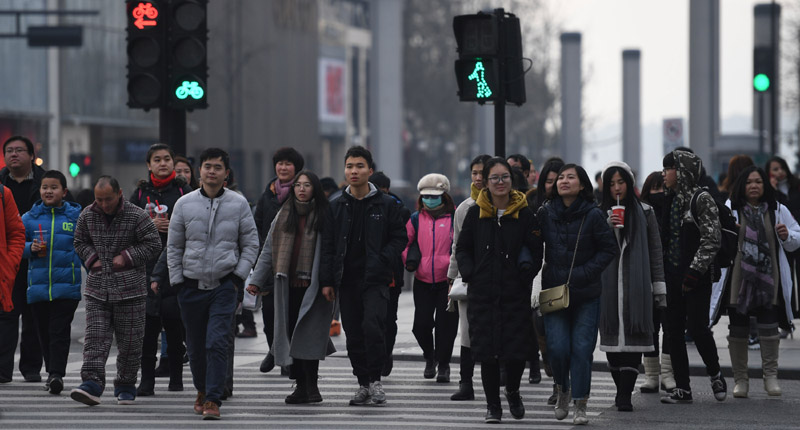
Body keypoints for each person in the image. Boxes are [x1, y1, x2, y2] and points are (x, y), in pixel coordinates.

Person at [167, 148, 259, 420]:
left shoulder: (239, 203)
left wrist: (236, 276)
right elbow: (173, 246)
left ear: (226, 173)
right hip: (190, 286)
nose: (212, 171)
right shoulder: (184, 205)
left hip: (223, 286)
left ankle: (213, 398)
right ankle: (202, 389)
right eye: (207, 166)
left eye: (218, 167)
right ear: (200, 172)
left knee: (217, 342)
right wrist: (178, 281)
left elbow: (251, 243)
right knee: (195, 346)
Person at [455, 157, 543, 424]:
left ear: (511, 180)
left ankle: (513, 391)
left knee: (516, 351)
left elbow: (536, 248)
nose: (500, 182)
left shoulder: (525, 213)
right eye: (494, 178)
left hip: (514, 294)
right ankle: (493, 405)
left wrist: (525, 274)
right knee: (487, 353)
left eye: (504, 177)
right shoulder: (476, 212)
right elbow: (462, 248)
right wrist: (471, 272)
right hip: (482, 294)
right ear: (486, 182)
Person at [320, 146, 407, 406]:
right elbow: (328, 246)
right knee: (353, 333)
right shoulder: (335, 205)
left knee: (373, 327)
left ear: (370, 170)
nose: (353, 171)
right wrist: (327, 281)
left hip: (376, 278)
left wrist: (383, 259)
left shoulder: (387, 203)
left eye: (359, 166)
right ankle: (362, 383)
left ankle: (376, 380)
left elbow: (399, 238)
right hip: (346, 280)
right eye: (349, 166)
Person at [70, 176, 162, 406]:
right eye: (99, 199)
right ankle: (91, 383)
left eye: (108, 199)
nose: (103, 204)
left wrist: (127, 257)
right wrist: (92, 260)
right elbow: (79, 241)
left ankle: (125, 383)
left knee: (130, 342)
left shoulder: (136, 215)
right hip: (97, 289)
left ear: (119, 193)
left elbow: (153, 244)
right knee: (95, 338)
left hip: (131, 290)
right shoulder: (87, 215)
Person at [710, 166, 800, 398]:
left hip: (768, 281)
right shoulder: (731, 210)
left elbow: (796, 237)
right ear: (742, 185)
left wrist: (787, 236)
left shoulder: (778, 210)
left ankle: (770, 377)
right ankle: (741, 380)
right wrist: (729, 230)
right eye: (749, 182)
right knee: (738, 329)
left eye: (758, 182)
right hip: (738, 279)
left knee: (769, 328)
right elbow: (715, 237)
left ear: (765, 185)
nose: (753, 186)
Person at [537, 164, 616, 425]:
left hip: (586, 294)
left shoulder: (593, 215)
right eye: (560, 177)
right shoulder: (545, 213)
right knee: (557, 349)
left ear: (582, 185)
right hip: (554, 293)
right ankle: (562, 389)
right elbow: (532, 244)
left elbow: (608, 250)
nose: (564, 181)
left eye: (571, 177)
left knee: (581, 349)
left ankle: (580, 403)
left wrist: (583, 273)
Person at [247, 170, 334, 404]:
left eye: (307, 185)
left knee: (310, 336)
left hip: (314, 286)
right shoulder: (283, 214)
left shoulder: (325, 214)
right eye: (298, 185)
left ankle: (311, 385)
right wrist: (256, 280)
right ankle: (300, 385)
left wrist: (329, 282)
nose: (302, 189)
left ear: (315, 188)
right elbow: (268, 250)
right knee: (291, 335)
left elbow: (330, 253)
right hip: (286, 285)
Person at [659, 150, 727, 404]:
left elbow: (712, 239)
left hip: (697, 278)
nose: (664, 174)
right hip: (672, 276)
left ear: (683, 171)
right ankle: (683, 388)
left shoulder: (701, 198)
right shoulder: (670, 199)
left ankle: (715, 373)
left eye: (668, 168)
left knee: (698, 329)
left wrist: (693, 272)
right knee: (673, 331)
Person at [598, 162, 666, 411]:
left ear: (629, 183)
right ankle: (620, 389)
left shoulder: (645, 212)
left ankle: (625, 395)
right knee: (613, 347)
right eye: (612, 183)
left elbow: (655, 252)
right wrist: (608, 226)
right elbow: (593, 249)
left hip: (638, 289)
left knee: (635, 342)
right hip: (608, 288)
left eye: (621, 182)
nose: (617, 187)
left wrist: (659, 288)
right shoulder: (599, 213)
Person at [128, 143, 193, 396]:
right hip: (146, 269)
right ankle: (147, 381)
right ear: (149, 164)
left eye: (167, 158)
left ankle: (176, 378)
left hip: (176, 269)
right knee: (147, 329)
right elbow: (129, 226)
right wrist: (149, 226)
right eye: (157, 159)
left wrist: (174, 227)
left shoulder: (184, 191)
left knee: (175, 328)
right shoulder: (141, 193)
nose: (163, 163)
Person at [21, 170, 82, 395]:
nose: (49, 191)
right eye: (45, 187)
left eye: (54, 187)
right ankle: (52, 373)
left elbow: (87, 246)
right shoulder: (29, 218)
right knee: (44, 333)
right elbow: (15, 244)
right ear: (40, 190)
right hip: (38, 289)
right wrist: (30, 249)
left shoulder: (76, 217)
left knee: (59, 332)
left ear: (64, 192)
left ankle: (57, 374)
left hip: (67, 287)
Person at [402, 173, 458, 382]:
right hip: (422, 280)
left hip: (448, 281)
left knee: (446, 326)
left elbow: (460, 246)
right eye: (425, 196)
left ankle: (443, 365)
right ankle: (430, 356)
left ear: (444, 196)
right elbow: (404, 243)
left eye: (434, 196)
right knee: (421, 325)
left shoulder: (454, 217)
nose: (429, 199)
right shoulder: (415, 219)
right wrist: (410, 259)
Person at [0, 135, 47, 383]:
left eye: (19, 150)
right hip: (5, 262)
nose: (13, 154)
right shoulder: (1, 185)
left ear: (31, 155)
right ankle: (2, 369)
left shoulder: (46, 182)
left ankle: (31, 368)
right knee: (6, 314)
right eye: (9, 150)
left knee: (33, 317)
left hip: (38, 261)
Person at [253, 147, 304, 373]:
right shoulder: (267, 196)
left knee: (292, 313)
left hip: (294, 265)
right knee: (269, 314)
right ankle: (274, 349)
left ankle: (286, 358)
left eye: (288, 164)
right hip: (269, 264)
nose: (283, 168)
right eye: (279, 163)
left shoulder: (303, 193)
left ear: (296, 168)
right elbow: (256, 230)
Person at [447, 154, 490, 401]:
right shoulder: (464, 208)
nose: (478, 178)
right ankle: (466, 383)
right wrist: (452, 277)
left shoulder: (507, 205)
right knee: (466, 333)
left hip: (498, 279)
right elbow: (457, 246)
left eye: (482, 173)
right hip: (469, 278)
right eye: (474, 173)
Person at [370, 171, 411, 377]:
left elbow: (400, 239)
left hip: (391, 273)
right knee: (373, 318)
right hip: (369, 273)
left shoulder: (398, 209)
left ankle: (386, 354)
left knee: (388, 318)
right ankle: (378, 356)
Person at [638, 171, 676, 393]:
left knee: (670, 327)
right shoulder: (642, 213)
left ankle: (668, 375)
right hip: (648, 277)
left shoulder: (676, 210)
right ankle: (651, 375)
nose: (660, 193)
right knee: (650, 328)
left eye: (662, 188)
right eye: (654, 189)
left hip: (671, 276)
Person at [766, 156, 800, 337]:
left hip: (796, 235)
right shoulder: (770, 191)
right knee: (786, 279)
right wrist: (772, 189)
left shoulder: (796, 186)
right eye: (774, 169)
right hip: (782, 239)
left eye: (780, 168)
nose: (779, 172)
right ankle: (787, 321)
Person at [0, 183, 25, 383]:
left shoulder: (3, 193)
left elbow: (16, 233)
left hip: (1, 273)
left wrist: (9, 262)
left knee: (6, 319)